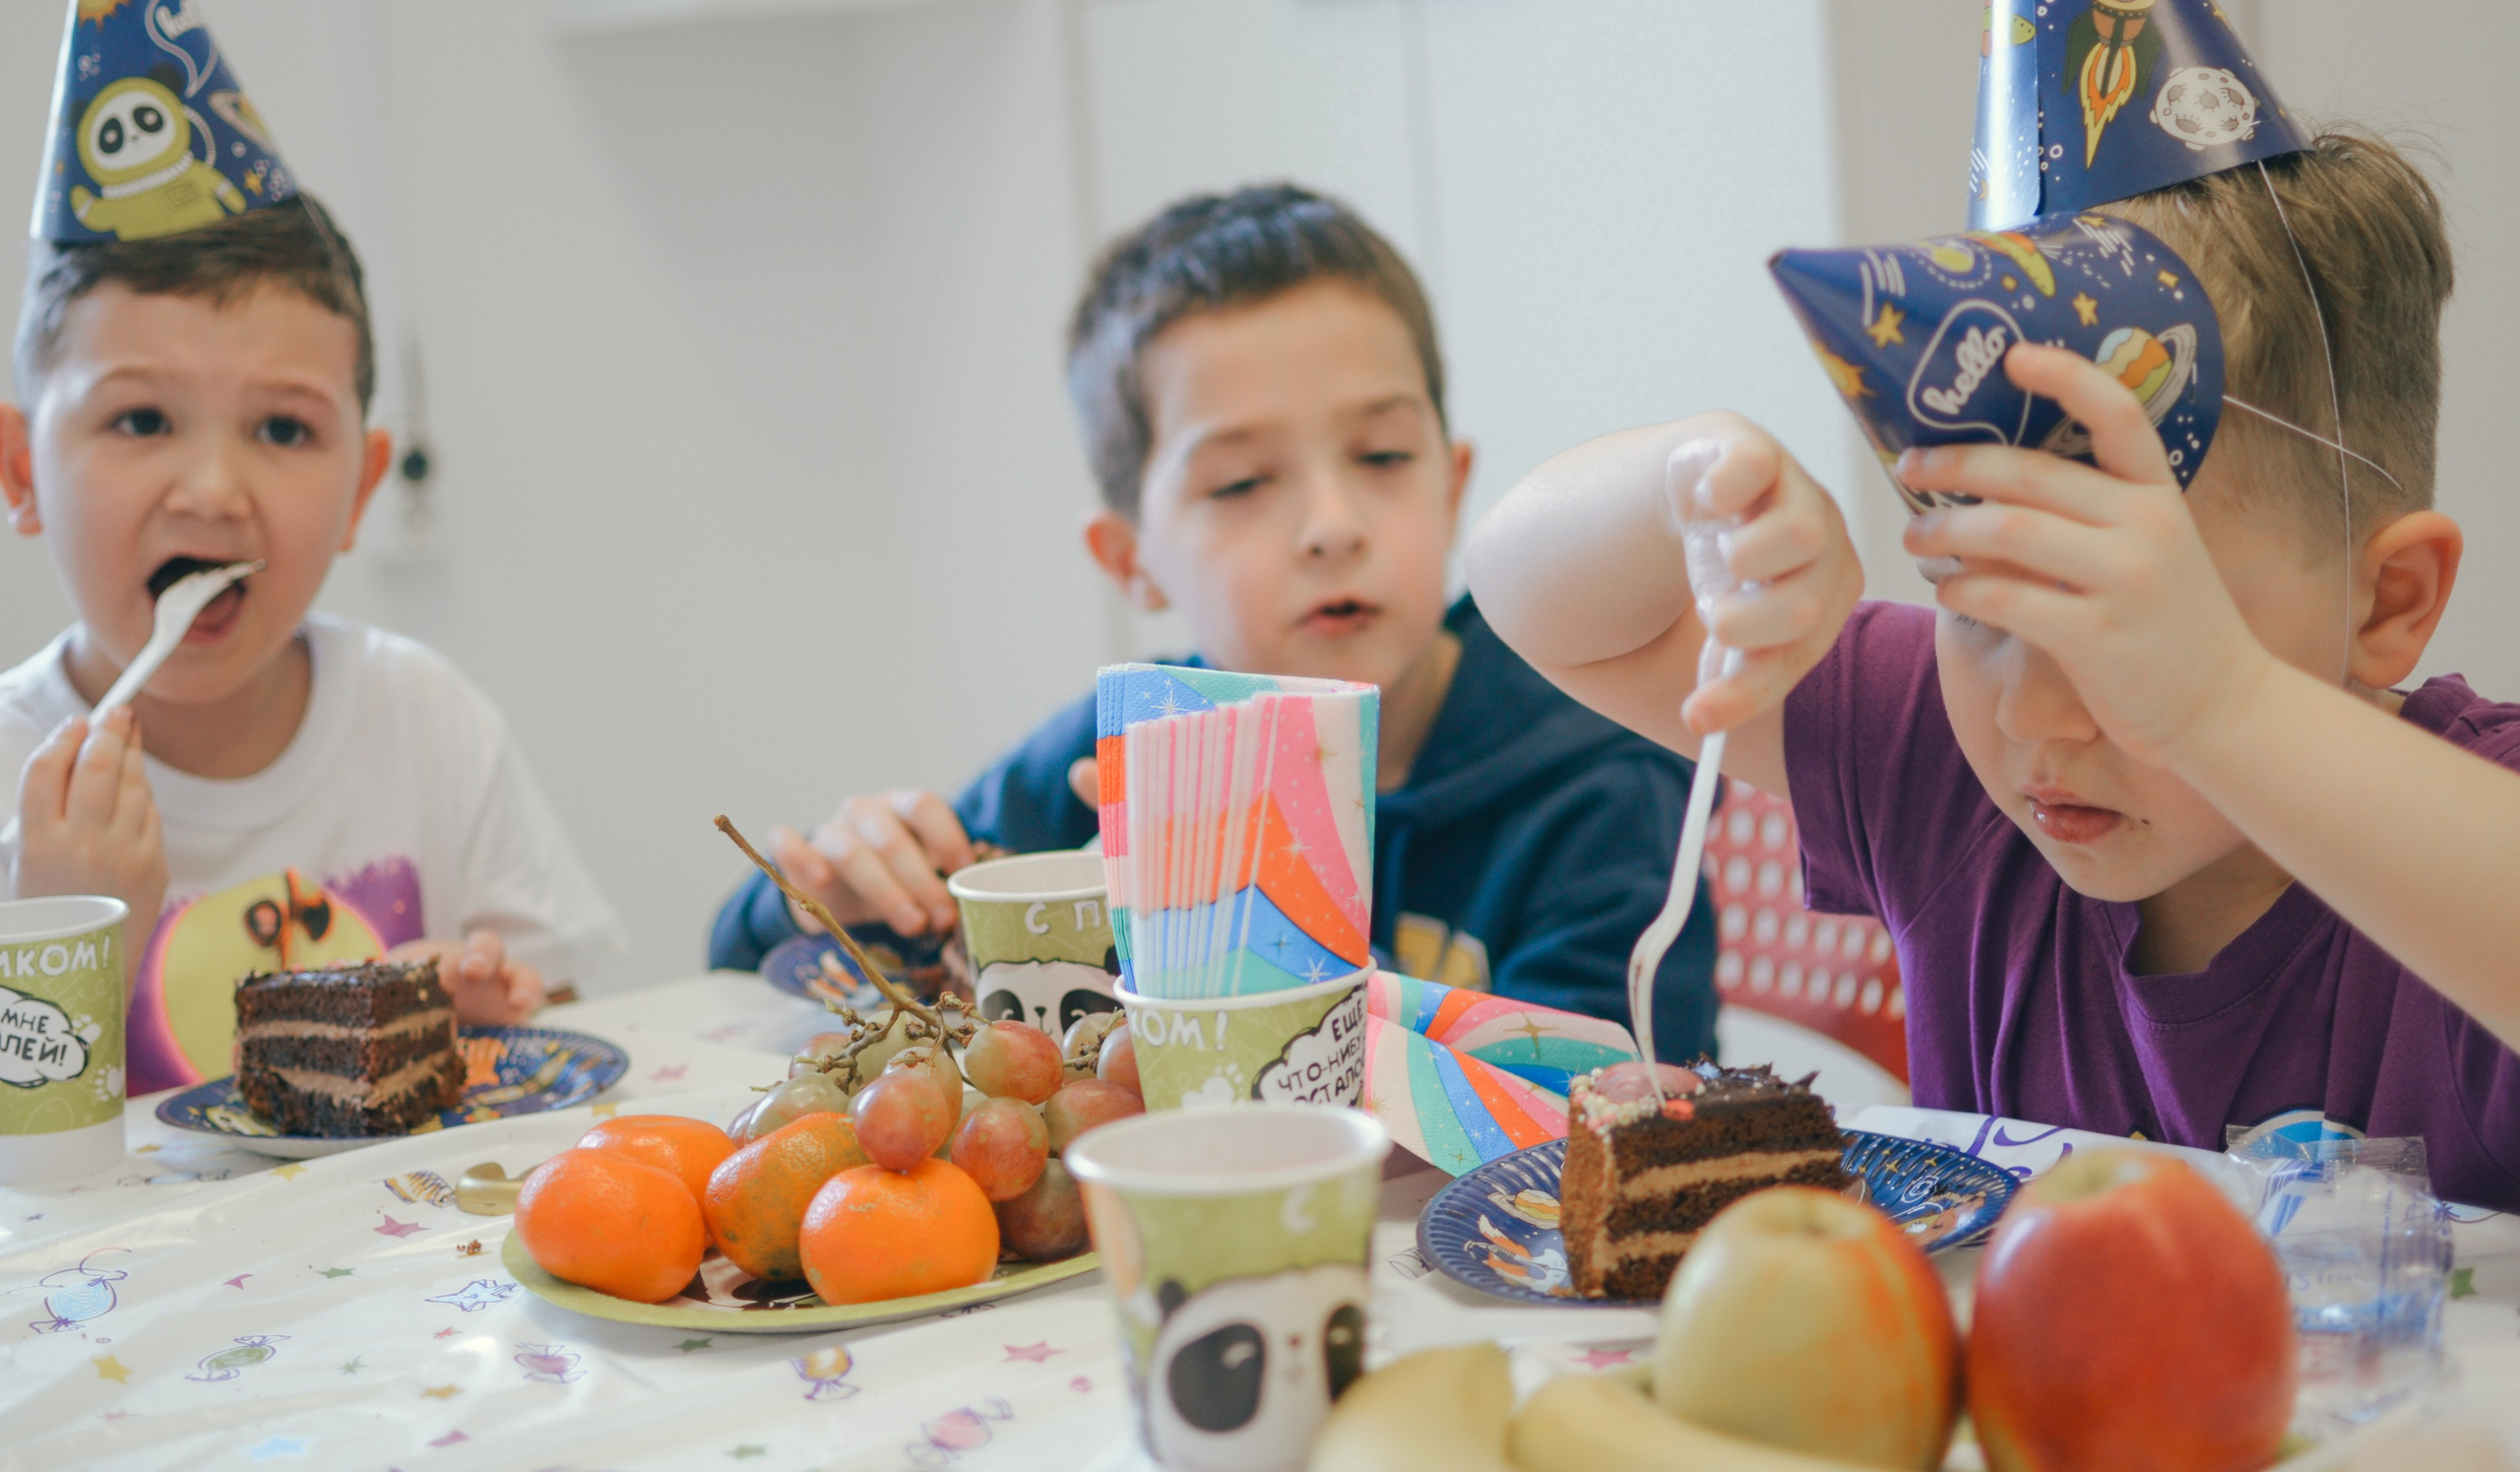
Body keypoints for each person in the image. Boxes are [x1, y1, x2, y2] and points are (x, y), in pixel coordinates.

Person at [1464, 133, 2520, 1211]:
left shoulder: (2476, 826)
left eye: (2136, 626)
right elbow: (1548, 610)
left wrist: (2224, 707)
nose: (2031, 711)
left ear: (2387, 601)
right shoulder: (1942, 764)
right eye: (1975, 593)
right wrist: (1684, 481)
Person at [714, 185, 1720, 1053]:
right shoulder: (1124, 756)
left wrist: (1264, 912)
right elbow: (735, 958)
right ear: (1130, 559)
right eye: (1241, 482)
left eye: (1381, 458)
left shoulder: (1595, 784)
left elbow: (1602, 1112)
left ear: (1452, 490)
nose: (1331, 526)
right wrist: (836, 900)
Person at [2, 0, 618, 1095]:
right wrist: (61, 936)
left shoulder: (419, 724)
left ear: (358, 488)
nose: (215, 488)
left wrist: (490, 1015)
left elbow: (569, 1027)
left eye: (283, 432)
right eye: (141, 418)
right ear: (20, 470)